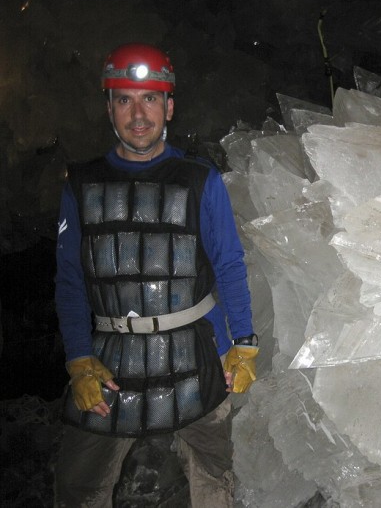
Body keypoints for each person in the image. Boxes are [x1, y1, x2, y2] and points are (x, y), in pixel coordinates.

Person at [53, 42, 258, 507]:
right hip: (109, 361)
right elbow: (70, 281)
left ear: (169, 107)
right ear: (109, 108)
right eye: (124, 99)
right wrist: (78, 358)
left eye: (150, 98)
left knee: (214, 477)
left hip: (197, 353)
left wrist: (243, 342)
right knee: (78, 486)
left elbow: (228, 263)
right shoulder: (81, 185)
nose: (138, 114)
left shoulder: (200, 180)